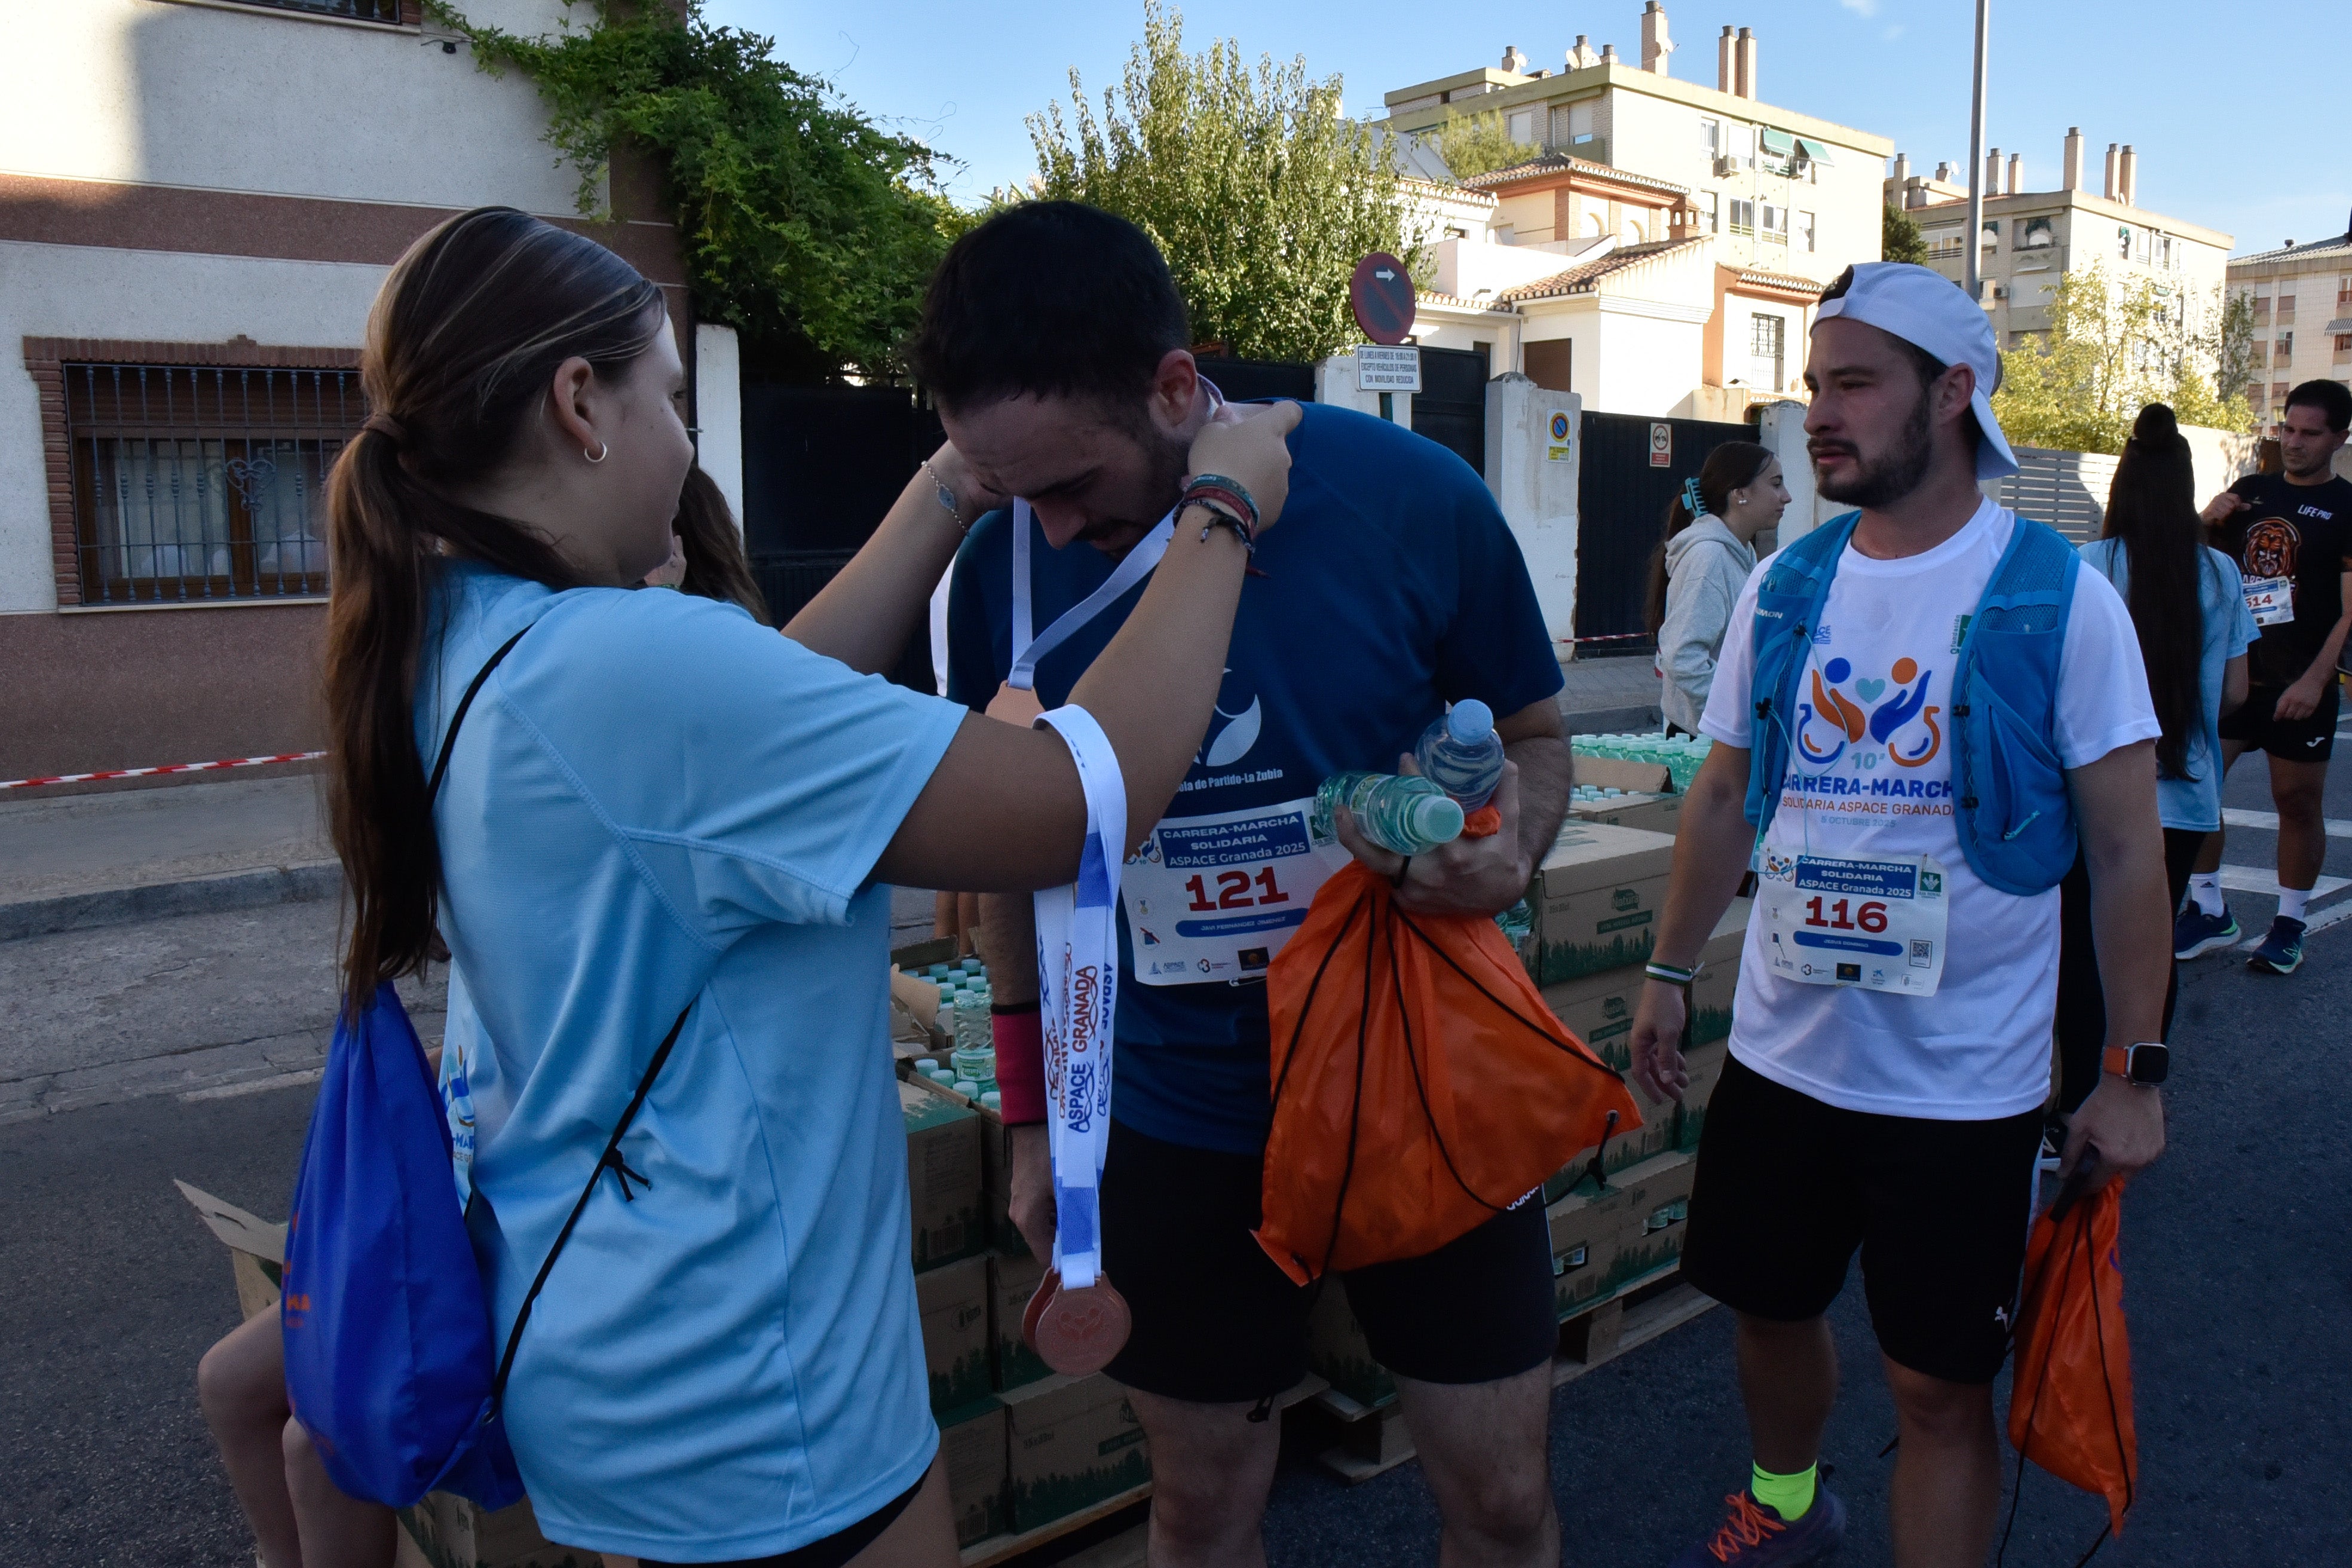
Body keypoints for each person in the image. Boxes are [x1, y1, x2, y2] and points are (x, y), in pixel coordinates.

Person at [322, 205, 1300, 1567]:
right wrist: (1222, 504)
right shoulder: (621, 666)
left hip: (621, 1345)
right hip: (753, 1402)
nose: (687, 444)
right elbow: (1077, 801)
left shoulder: (474, 636)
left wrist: (955, 482)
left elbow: (770, 715)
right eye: (672, 397)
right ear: (579, 402)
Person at [929, 203, 1575, 1568]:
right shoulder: (1005, 559)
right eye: (1011, 491)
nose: (1048, 525)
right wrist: (1038, 1125)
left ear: (1175, 388)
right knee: (1206, 1502)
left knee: (1503, 1501)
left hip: (1420, 1074)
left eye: (1068, 480)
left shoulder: (1407, 495)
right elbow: (1008, 857)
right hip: (1172, 1104)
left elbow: (1533, 737)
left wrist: (1512, 847)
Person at [1627, 262, 2171, 1568]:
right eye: (1815, 385)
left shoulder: (2059, 596)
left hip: (1961, 1086)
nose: (1819, 413)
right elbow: (1722, 793)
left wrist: (2135, 1072)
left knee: (1936, 1387)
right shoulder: (1788, 583)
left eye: (1856, 382)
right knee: (1765, 1310)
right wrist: (1664, 967)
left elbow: (2127, 851)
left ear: (1953, 391)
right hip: (1782, 1053)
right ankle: (1791, 1493)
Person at [195, 468, 773, 1568]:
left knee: (323, 1451)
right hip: (478, 1204)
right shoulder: (485, 720)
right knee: (235, 1385)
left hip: (561, 1240)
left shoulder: (646, 721)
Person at [2053, 405, 2256, 1115]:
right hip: (2187, 795)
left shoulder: (2086, 567)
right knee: (2152, 952)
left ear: (2122, 486)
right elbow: (2235, 692)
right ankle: (2135, 1095)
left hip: (2094, 797)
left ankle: (2073, 1103)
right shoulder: (2224, 574)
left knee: (2081, 951)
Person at [2177, 378, 2352, 973]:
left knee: (2296, 801)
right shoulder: (2249, 491)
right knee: (2197, 791)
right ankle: (2209, 911)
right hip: (2232, 678)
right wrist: (2205, 520)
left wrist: (2315, 680)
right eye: (2288, 428)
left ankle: (2290, 921)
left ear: (2339, 438)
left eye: (2310, 433)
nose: (2294, 441)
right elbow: (2189, 569)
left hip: (2300, 684)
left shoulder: (2347, 508)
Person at [1646, 442, 1788, 737]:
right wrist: (1738, 710)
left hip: (1720, 735)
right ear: (1739, 494)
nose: (1786, 497)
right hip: (1703, 740)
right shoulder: (1709, 558)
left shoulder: (1741, 552)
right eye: (1775, 484)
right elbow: (1682, 658)